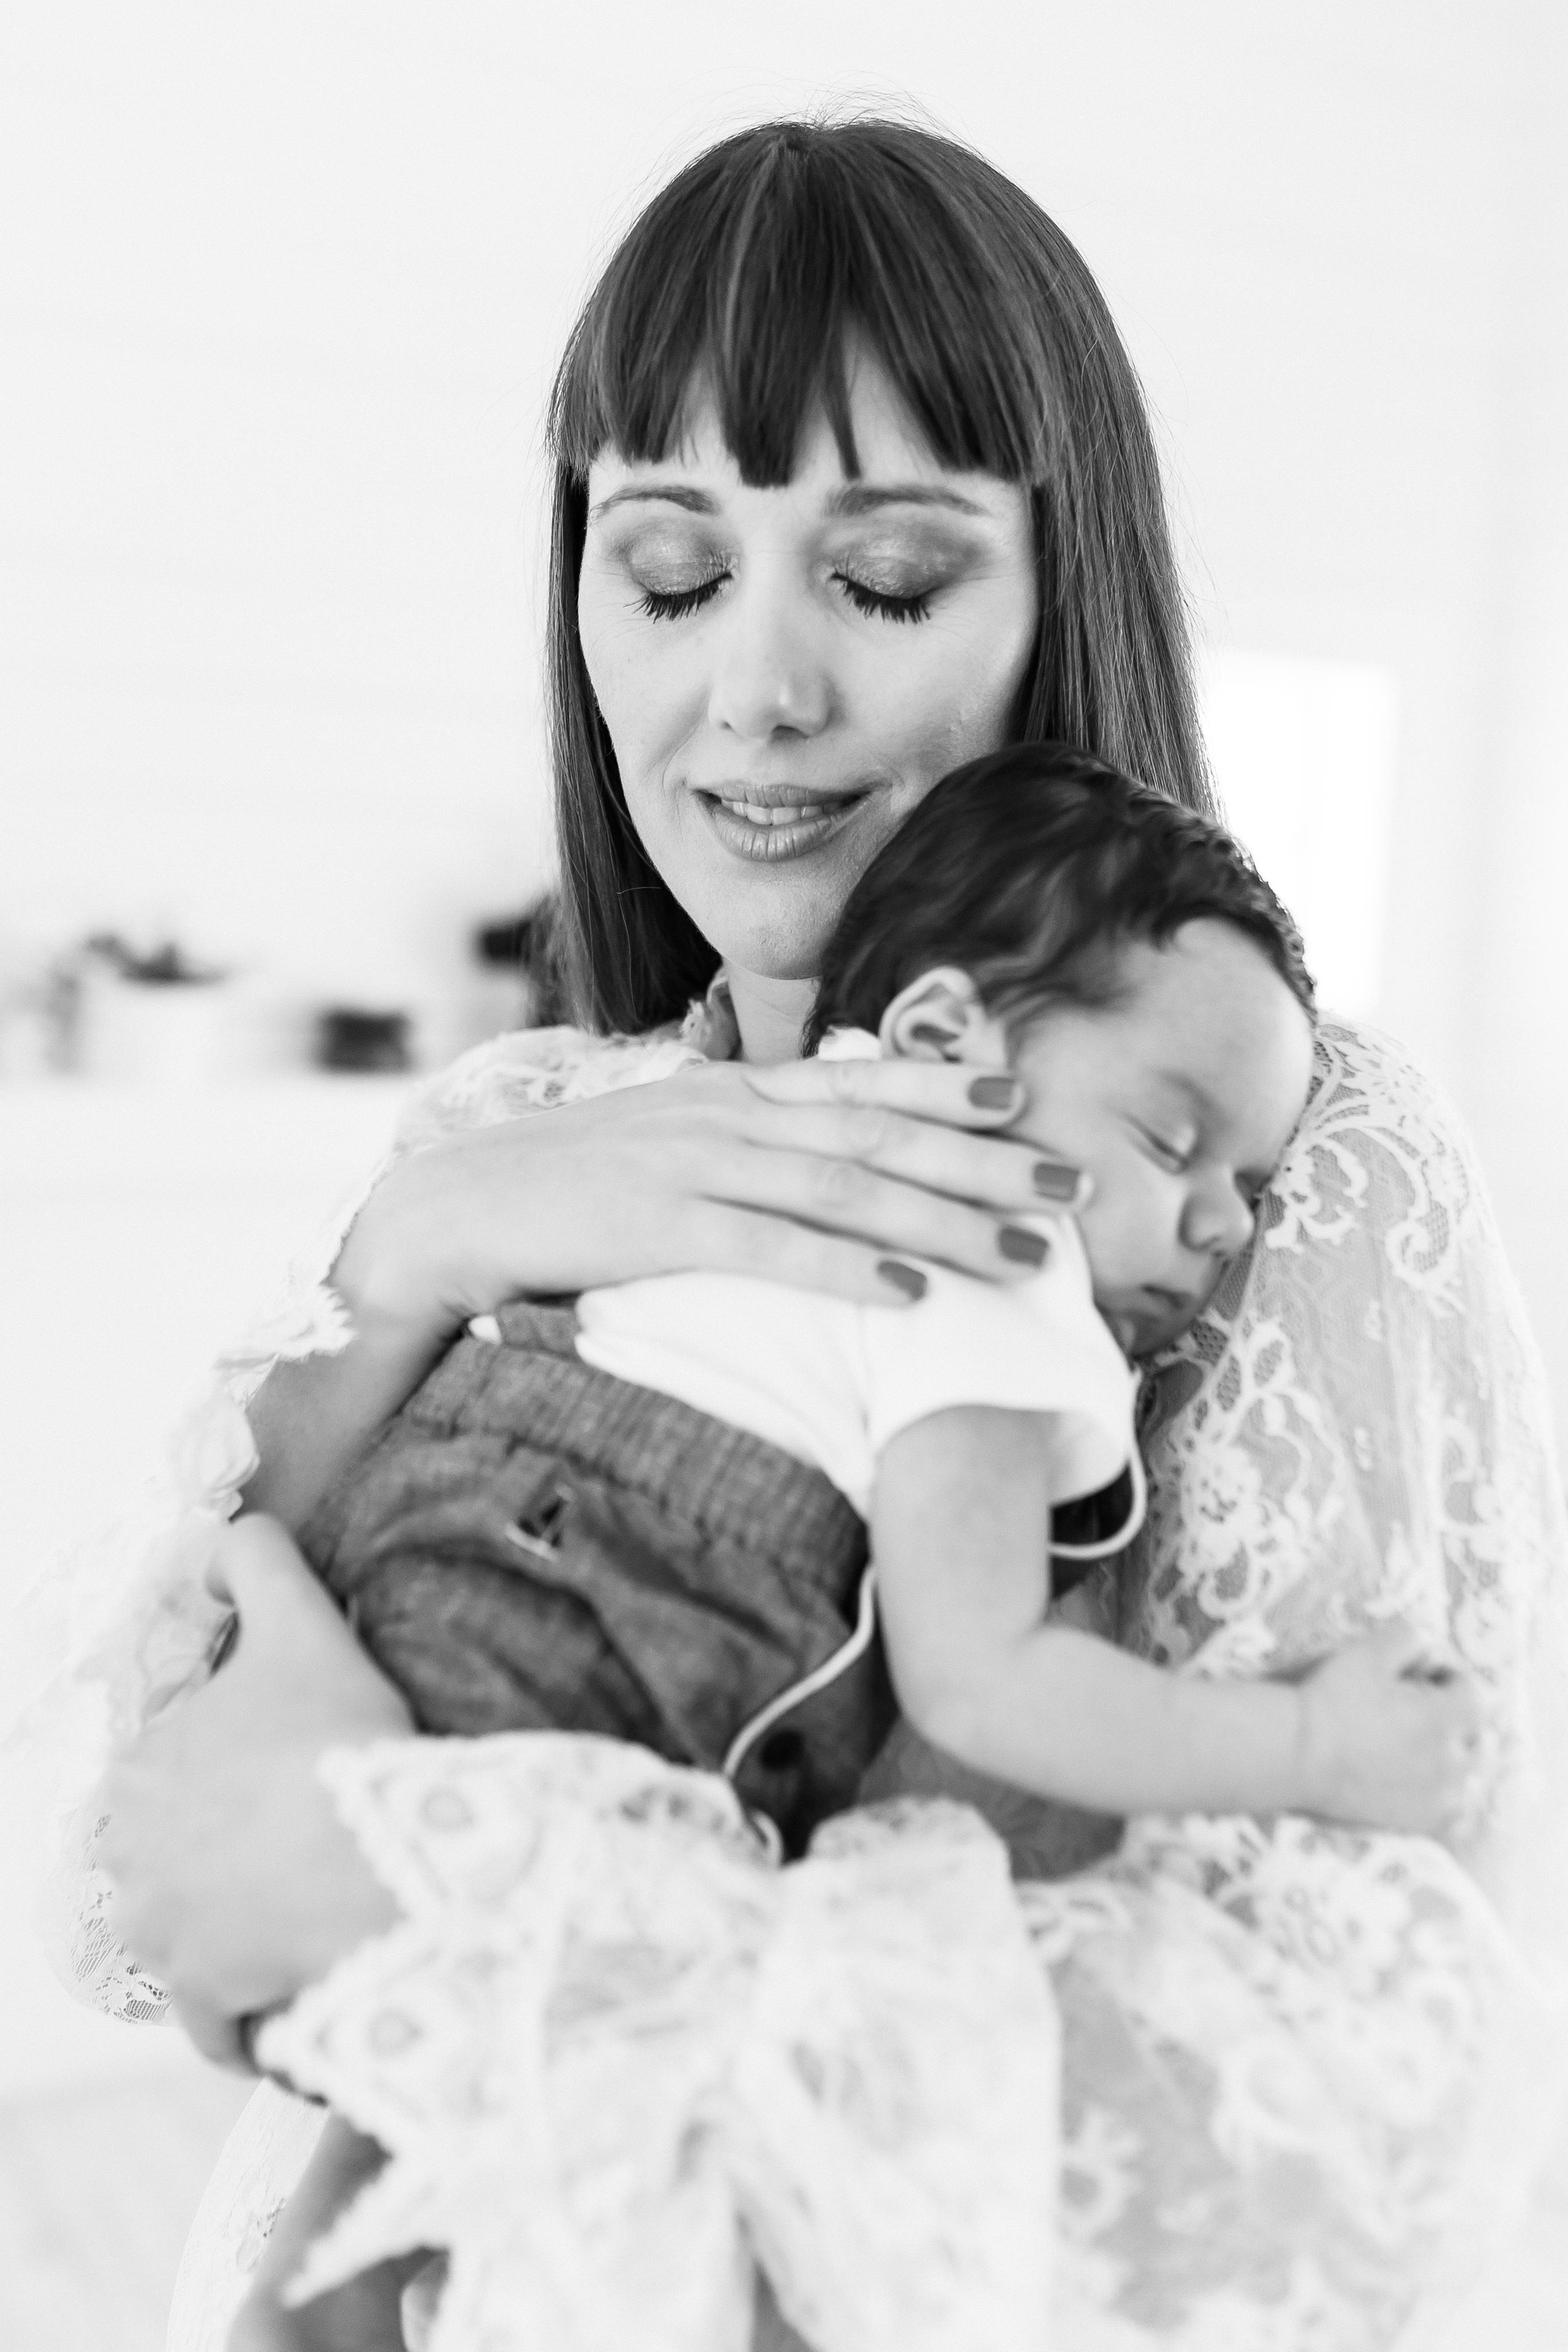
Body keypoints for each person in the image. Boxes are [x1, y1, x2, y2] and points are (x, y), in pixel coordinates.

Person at [40, 116, 1564, 2351]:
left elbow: (1351, 2083)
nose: (752, 695)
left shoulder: (1280, 1163)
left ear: (1067, 595)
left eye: (883, 581)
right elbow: (149, 1910)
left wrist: (429, 1897)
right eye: (667, 574)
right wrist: (411, 1258)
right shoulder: (507, 1118)